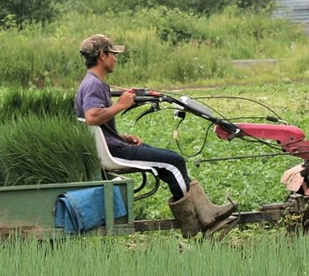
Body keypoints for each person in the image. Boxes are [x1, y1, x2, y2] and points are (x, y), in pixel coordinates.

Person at [75, 34, 236, 237]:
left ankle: (205, 212)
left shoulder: (93, 83)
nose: (115, 58)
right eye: (112, 54)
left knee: (166, 163)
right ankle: (194, 222)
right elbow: (92, 117)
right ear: (101, 55)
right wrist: (121, 105)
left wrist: (122, 136)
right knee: (174, 161)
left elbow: (97, 127)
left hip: (113, 144)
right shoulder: (94, 84)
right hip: (112, 152)